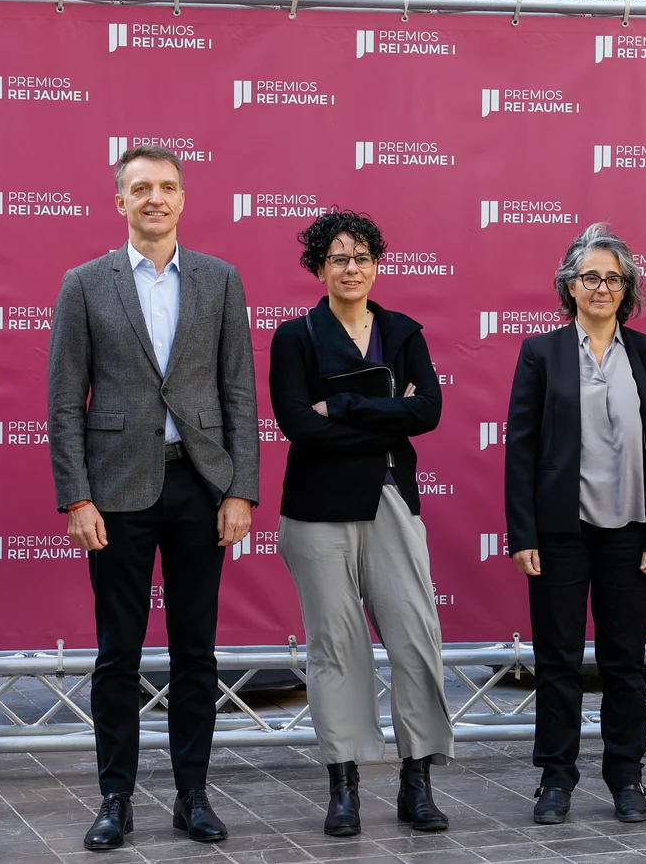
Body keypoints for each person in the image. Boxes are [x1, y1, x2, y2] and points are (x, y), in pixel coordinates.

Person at [46, 146, 260, 851]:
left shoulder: (220, 280)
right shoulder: (83, 283)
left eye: (166, 186)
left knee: (196, 651)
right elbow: (64, 404)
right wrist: (77, 498)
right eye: (140, 188)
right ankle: (115, 797)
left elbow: (238, 392)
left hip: (200, 484)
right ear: (119, 201)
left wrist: (240, 489)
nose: (155, 198)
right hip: (117, 492)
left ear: (183, 197)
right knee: (118, 654)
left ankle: (193, 795)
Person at [269, 210, 452, 838]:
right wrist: (384, 417)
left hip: (392, 502)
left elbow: (426, 411)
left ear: (376, 266)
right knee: (336, 649)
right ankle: (342, 785)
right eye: (339, 258)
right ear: (319, 268)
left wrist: (345, 405)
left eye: (363, 258)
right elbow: (299, 425)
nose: (352, 269)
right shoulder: (294, 337)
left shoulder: (403, 333)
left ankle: (416, 782)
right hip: (317, 509)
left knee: (415, 640)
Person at [504, 223, 646, 825]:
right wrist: (523, 532)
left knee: (624, 661)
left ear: (627, 288)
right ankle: (555, 780)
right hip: (559, 531)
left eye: (613, 278)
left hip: (632, 530)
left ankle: (627, 777)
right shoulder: (542, 352)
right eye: (590, 277)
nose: (602, 287)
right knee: (556, 661)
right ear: (570, 287)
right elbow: (521, 449)